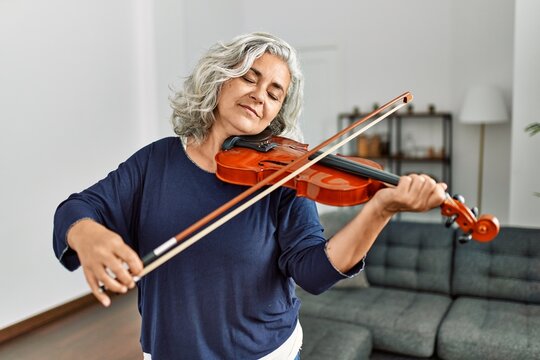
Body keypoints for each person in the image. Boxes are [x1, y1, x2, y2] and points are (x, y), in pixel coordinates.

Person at [53, 32, 446, 359]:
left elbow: (314, 271)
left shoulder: (284, 178)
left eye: (275, 93)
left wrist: (381, 208)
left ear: (276, 114)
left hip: (263, 352)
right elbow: (78, 208)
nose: (260, 94)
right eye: (249, 77)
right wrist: (88, 235)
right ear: (219, 79)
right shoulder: (156, 161)